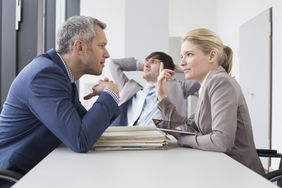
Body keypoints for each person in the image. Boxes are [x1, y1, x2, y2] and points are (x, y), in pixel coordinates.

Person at [0, 16, 120, 179]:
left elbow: (86, 129)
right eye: (101, 46)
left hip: (35, 170)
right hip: (13, 177)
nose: (107, 54)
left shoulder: (60, 75)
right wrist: (110, 94)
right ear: (80, 47)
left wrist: (106, 95)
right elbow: (81, 140)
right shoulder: (45, 76)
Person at [156, 28, 264, 175]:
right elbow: (188, 126)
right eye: (181, 56)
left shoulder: (220, 82)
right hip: (221, 167)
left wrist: (183, 140)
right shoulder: (209, 84)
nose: (182, 62)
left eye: (189, 54)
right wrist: (162, 97)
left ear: (212, 56)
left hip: (240, 174)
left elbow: (221, 141)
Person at [109, 52, 200, 126]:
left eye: (154, 62)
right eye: (147, 61)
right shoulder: (130, 88)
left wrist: (175, 67)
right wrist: (144, 66)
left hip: (163, 141)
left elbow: (206, 72)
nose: (147, 64)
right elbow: (113, 64)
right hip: (131, 140)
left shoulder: (180, 87)